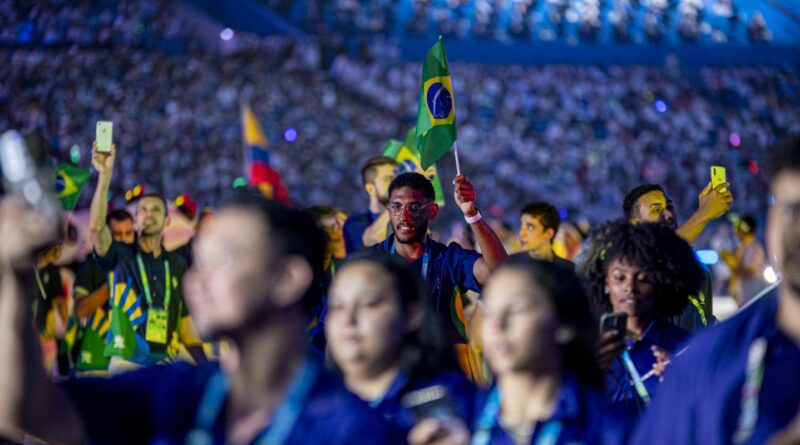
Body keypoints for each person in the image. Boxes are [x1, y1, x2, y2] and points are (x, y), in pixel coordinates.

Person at [0, 190, 404, 444]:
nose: (196, 279)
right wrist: (14, 272)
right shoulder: (174, 392)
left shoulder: (356, 431)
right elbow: (26, 411)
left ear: (287, 278)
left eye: (222, 259)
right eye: (198, 261)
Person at [631, 136, 800, 445]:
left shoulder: (698, 275)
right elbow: (652, 263)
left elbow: (701, 317)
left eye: (669, 207)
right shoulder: (710, 363)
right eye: (791, 210)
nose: (799, 228)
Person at [410, 257, 630, 445]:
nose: (497, 325)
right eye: (489, 311)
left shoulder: (610, 428)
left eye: (517, 309)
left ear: (564, 324)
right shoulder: (459, 422)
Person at [326, 251, 475, 434]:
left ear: (411, 316)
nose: (347, 320)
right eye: (337, 307)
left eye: (368, 304)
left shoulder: (452, 401)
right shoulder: (310, 407)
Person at [88, 142, 202, 372]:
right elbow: (97, 228)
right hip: (127, 361)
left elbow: (185, 326)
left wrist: (207, 368)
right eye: (143, 210)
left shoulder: (177, 264)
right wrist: (104, 176)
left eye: (156, 210)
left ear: (167, 221)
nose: (149, 214)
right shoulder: (121, 255)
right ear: (136, 220)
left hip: (166, 360)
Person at [372, 172, 508, 347]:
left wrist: (472, 215)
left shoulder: (448, 259)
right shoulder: (370, 261)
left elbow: (500, 273)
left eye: (414, 208)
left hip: (439, 362)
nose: (404, 216)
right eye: (396, 206)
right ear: (388, 210)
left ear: (432, 211)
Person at [586, 222, 704, 412]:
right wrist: (585, 374)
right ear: (605, 282)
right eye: (619, 277)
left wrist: (681, 382)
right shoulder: (585, 346)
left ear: (659, 283)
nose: (630, 287)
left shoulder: (684, 347)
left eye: (643, 278)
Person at [622, 183, 732, 331]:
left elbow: (703, 321)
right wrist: (704, 213)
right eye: (657, 210)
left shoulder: (697, 269)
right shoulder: (628, 262)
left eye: (670, 207)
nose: (668, 214)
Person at [70, 208, 135, 373]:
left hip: (130, 362)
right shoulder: (91, 266)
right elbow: (80, 310)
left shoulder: (139, 265)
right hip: (95, 364)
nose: (124, 239)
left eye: (128, 233)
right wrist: (113, 282)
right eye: (117, 234)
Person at [305, 205, 348, 355]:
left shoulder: (342, 270)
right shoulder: (299, 274)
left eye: (338, 227)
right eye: (329, 228)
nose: (337, 233)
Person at [343, 156, 397, 254]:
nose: (397, 184)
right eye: (388, 179)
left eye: (397, 178)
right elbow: (374, 238)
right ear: (370, 189)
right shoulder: (353, 222)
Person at [721, 215, 769, 306]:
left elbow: (750, 272)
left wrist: (731, 263)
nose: (736, 230)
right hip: (743, 297)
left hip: (751, 296)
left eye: (739, 227)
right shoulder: (742, 247)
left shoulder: (754, 247)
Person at [515, 202, 574, 270]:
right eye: (521, 226)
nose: (521, 234)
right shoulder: (511, 266)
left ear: (548, 233)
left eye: (530, 227)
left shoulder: (568, 270)